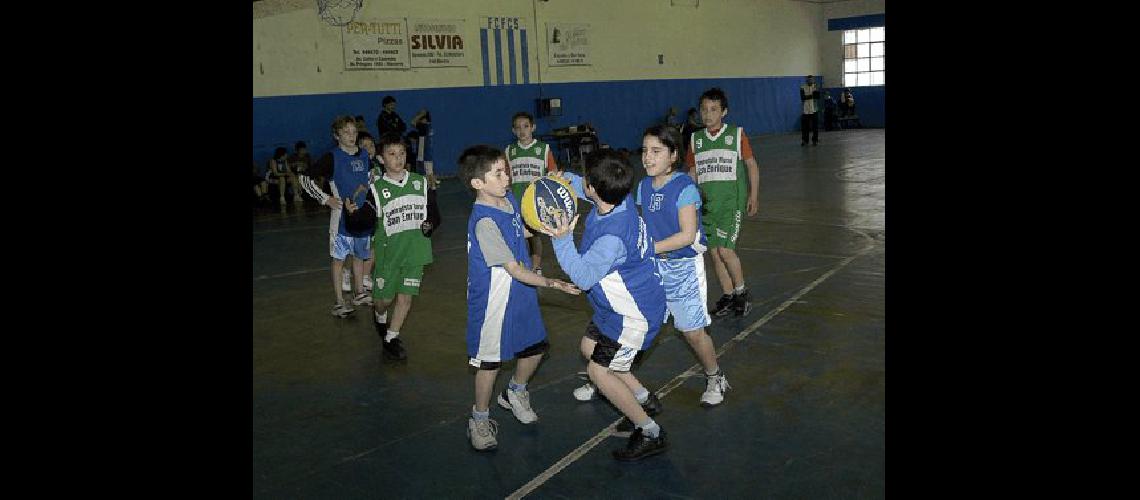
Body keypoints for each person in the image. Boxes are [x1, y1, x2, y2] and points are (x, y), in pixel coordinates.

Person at [539, 150, 670, 461]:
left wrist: (561, 238)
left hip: (633, 318)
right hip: (619, 309)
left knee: (599, 372)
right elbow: (591, 188)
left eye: (583, 179)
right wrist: (564, 181)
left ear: (593, 189)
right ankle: (643, 398)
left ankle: (650, 432)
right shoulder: (620, 200)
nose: (581, 181)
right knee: (589, 347)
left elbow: (583, 277)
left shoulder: (611, 239)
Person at [457, 144, 581, 451]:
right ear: (477, 183)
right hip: (493, 300)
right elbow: (513, 269)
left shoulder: (508, 199)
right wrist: (551, 282)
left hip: (520, 292)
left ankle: (515, 390)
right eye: (497, 173)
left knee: (536, 347)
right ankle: (480, 418)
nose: (506, 177)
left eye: (505, 170)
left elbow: (520, 231)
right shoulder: (484, 221)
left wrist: (549, 223)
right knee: (490, 363)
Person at [684, 87, 761, 317]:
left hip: (731, 203)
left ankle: (741, 292)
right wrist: (689, 200)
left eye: (714, 109)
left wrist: (753, 195)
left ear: (724, 112)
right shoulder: (696, 139)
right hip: (707, 205)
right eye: (704, 109)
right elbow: (692, 172)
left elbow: (751, 165)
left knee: (726, 250)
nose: (708, 114)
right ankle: (728, 295)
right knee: (714, 253)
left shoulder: (736, 134)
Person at [365, 132, 438, 361]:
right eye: (392, 154)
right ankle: (379, 316)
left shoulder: (419, 182)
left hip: (416, 252)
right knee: (383, 301)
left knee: (406, 297)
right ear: (381, 159)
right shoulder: (377, 189)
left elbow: (435, 213)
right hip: (389, 254)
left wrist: (430, 225)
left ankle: (391, 338)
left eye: (402, 153)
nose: (398, 158)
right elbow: (364, 221)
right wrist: (351, 215)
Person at [298, 116, 373, 318]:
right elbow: (305, 178)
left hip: (362, 216)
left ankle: (359, 292)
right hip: (341, 219)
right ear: (336, 135)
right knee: (339, 259)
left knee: (359, 255)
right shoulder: (332, 157)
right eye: (346, 132)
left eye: (354, 131)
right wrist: (325, 199)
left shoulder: (365, 155)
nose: (351, 135)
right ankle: (339, 302)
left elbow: (369, 181)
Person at [506, 111, 559, 276]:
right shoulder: (509, 151)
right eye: (518, 128)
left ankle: (536, 267)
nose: (522, 131)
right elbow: (505, 177)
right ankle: (520, 265)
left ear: (533, 127)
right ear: (513, 131)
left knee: (534, 236)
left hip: (535, 202)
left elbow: (553, 172)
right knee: (517, 235)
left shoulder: (543, 149)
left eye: (526, 126)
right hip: (515, 201)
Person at [800, 75, 820, 146]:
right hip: (805, 110)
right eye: (808, 80)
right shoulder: (802, 87)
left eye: (811, 80)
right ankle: (805, 140)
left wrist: (807, 96)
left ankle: (815, 140)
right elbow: (802, 98)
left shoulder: (815, 87)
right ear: (806, 80)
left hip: (814, 109)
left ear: (813, 80)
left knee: (815, 127)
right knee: (805, 127)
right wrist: (811, 95)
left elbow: (817, 96)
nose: (810, 81)